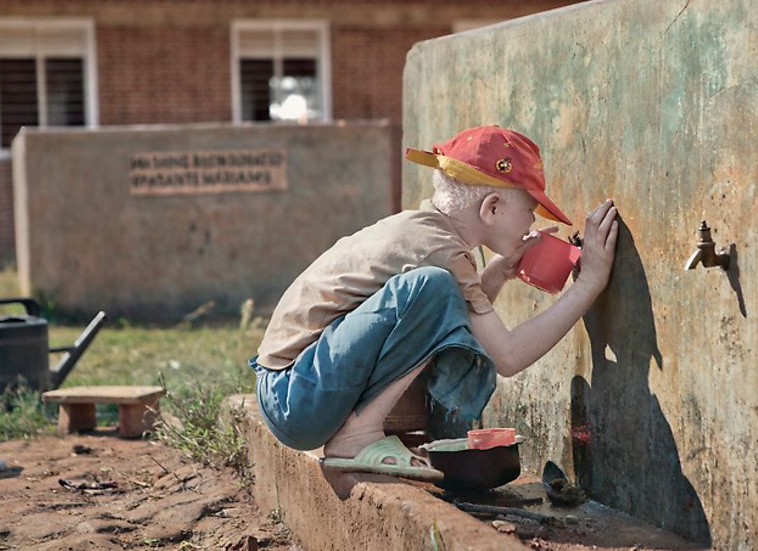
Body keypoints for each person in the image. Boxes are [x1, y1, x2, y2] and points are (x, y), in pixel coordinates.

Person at [249, 125, 618, 480]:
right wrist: (588, 284)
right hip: (295, 394)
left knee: (435, 292)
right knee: (433, 286)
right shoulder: (440, 252)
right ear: (491, 208)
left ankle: (362, 430)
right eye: (529, 209)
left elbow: (441, 325)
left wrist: (495, 275)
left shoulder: (428, 233)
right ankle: (356, 438)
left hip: (294, 392)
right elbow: (506, 356)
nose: (531, 221)